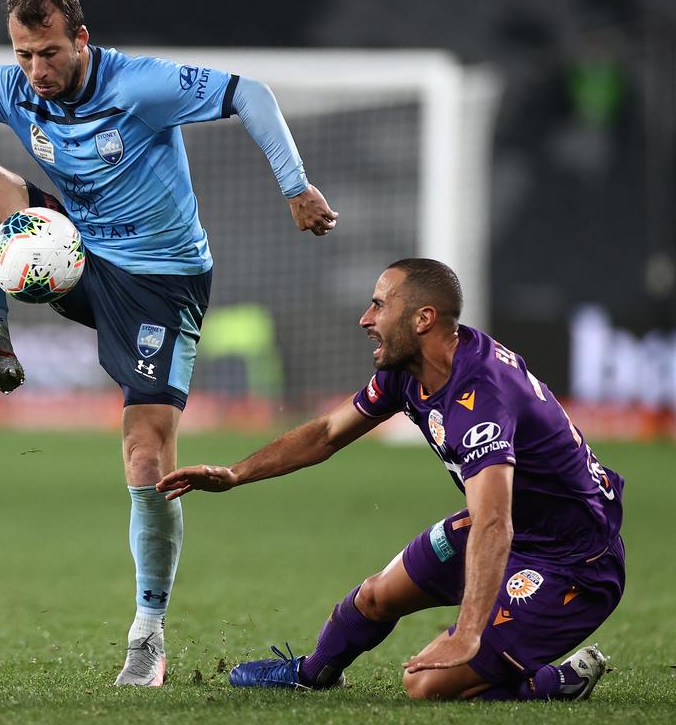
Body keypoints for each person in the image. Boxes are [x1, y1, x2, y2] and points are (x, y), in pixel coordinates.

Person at [0, 0, 337, 686]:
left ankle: (148, 633)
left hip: (161, 285)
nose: (36, 70)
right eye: (24, 54)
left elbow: (250, 92)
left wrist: (295, 185)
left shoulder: (141, 85)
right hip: (80, 256)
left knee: (145, 455)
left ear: (82, 41)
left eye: (49, 53)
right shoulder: (13, 87)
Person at [158, 258, 624, 701]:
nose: (366, 318)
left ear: (423, 318)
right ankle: (311, 673)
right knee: (376, 596)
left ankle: (552, 682)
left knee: (423, 684)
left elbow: (492, 522)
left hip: (574, 561)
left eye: (380, 304)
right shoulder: (410, 372)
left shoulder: (482, 396)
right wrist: (236, 473)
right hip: (510, 526)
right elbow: (325, 434)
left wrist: (467, 631)